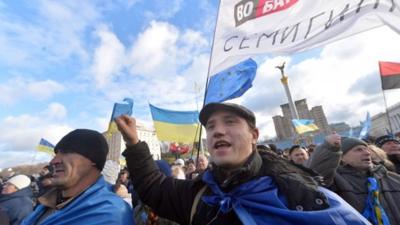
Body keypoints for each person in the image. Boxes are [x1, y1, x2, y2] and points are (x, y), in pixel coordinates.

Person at [116, 102, 370, 225]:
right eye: (211, 126)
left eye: (230, 122)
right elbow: (154, 187)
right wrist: (135, 143)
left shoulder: (303, 193)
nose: (217, 131)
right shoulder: (199, 196)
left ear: (254, 136)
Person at [21, 129, 134, 225]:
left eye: (66, 152)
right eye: (56, 154)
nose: (53, 161)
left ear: (92, 159)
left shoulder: (112, 213)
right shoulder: (46, 203)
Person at [307, 134, 400, 225]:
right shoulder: (334, 180)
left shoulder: (392, 178)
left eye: (366, 149)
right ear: (342, 157)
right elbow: (315, 176)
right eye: (358, 150)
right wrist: (329, 148)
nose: (367, 153)